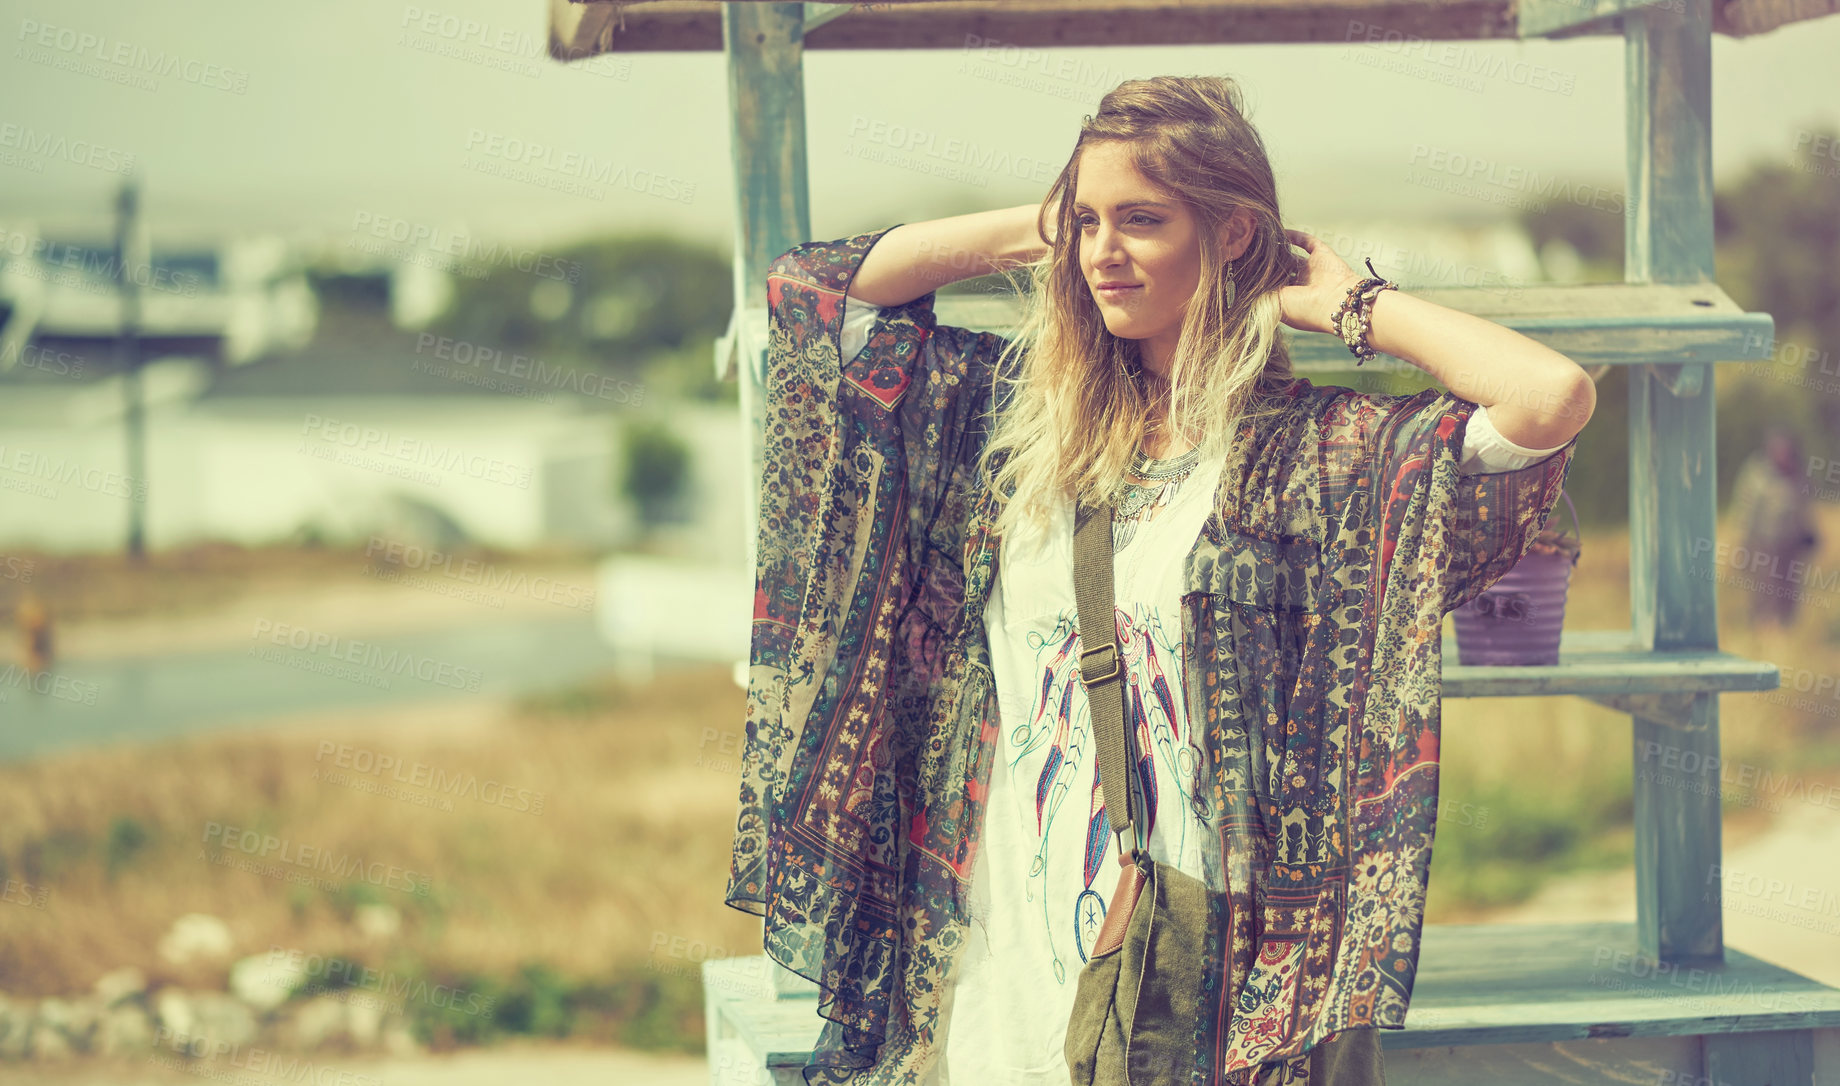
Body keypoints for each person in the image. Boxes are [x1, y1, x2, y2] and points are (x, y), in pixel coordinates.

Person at [726, 75, 1592, 1085]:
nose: (1103, 251)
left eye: (1142, 219)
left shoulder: (1313, 455)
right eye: (1088, 222)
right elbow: (813, 290)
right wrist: (1045, 221)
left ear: (1229, 236)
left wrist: (1353, 304)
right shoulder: (1017, 426)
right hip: (997, 931)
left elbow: (1548, 397)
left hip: (1197, 955)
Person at [1725, 425, 1820, 630]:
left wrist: (1809, 533)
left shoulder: (1798, 474)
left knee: (1788, 589)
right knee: (1764, 589)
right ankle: (1762, 630)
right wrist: (1743, 543)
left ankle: (1786, 629)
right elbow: (1745, 510)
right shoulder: (1756, 474)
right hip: (1762, 543)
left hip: (1790, 544)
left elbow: (1805, 508)